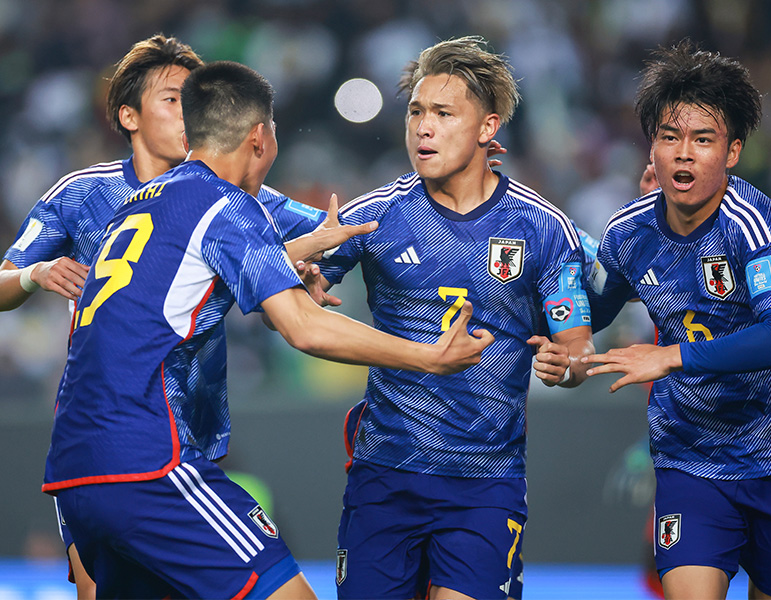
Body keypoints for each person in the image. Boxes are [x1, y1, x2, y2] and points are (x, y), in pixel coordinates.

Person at [42, 60, 492, 599]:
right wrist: (430, 357)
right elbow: (303, 329)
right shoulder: (227, 204)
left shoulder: (141, 203)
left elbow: (185, 288)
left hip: (72, 471)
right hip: (146, 462)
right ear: (259, 137)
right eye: (275, 131)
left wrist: (289, 265)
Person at [0, 35, 328, 597]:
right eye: (173, 99)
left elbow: (327, 235)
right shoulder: (83, 194)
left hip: (188, 432)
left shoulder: (236, 193)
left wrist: (302, 268)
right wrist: (34, 275)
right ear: (129, 115)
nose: (188, 111)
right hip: (112, 431)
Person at [536, 39, 771, 599]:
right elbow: (593, 316)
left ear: (731, 152)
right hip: (690, 459)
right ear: (650, 149)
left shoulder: (754, 226)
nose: (683, 153)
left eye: (702, 140)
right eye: (669, 137)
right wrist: (570, 357)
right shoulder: (628, 233)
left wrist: (670, 355)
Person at [318, 36, 594, 600]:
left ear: (487, 128)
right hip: (385, 473)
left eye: (444, 114)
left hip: (485, 485)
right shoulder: (374, 216)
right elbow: (296, 307)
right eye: (417, 112)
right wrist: (304, 283)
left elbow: (578, 352)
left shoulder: (541, 227)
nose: (423, 127)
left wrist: (563, 366)